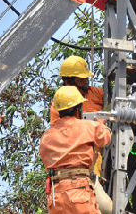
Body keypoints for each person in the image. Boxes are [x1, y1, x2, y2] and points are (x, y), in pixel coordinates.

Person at [39, 86, 112, 214]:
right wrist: (101, 123)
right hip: (79, 191)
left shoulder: (46, 137)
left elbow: (46, 162)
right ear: (78, 109)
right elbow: (105, 138)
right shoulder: (87, 127)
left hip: (56, 196)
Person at [49, 55, 104, 125]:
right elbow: (57, 131)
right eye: (81, 80)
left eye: (86, 78)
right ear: (68, 82)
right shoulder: (60, 103)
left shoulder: (96, 92)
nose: (86, 82)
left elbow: (114, 108)